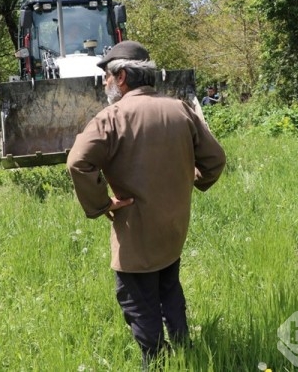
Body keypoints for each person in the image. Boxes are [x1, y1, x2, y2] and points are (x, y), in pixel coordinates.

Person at [66, 41, 226, 370]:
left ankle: (155, 363)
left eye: (107, 77)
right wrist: (193, 181)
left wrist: (102, 203)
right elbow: (215, 160)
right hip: (173, 228)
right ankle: (184, 351)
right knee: (169, 288)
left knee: (138, 301)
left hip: (135, 232)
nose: (105, 84)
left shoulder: (111, 118)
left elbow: (78, 163)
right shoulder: (181, 109)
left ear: (122, 76)